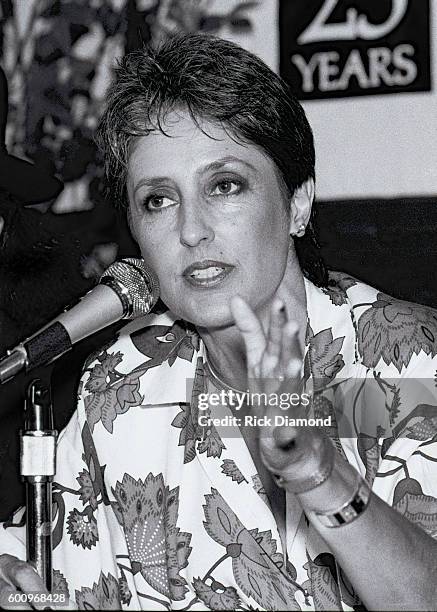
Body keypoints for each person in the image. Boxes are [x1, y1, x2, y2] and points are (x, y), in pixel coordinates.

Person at [0, 33, 437, 611]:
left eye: (224, 185)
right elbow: (53, 573)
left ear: (298, 202)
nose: (191, 230)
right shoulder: (122, 383)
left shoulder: (404, 362)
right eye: (159, 199)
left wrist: (321, 475)